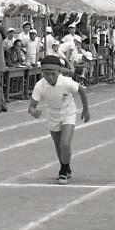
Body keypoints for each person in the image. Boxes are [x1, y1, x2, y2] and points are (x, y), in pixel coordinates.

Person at [28, 56, 90, 184]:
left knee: (65, 143)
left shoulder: (66, 82)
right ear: (42, 73)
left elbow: (81, 90)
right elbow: (31, 106)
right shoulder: (40, 86)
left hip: (68, 111)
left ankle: (62, 170)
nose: (50, 77)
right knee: (58, 145)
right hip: (52, 113)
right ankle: (66, 167)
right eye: (46, 74)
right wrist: (33, 112)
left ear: (59, 72)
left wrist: (85, 109)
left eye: (53, 74)